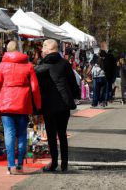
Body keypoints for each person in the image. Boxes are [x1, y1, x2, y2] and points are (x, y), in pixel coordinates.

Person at [0, 40, 41, 175]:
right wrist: (38, 105)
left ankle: (10, 165)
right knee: (22, 134)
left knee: (9, 133)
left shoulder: (2, 65)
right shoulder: (28, 66)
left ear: (7, 50)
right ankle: (20, 165)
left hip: (6, 103)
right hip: (23, 103)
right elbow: (35, 88)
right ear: (19, 49)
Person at [35, 39, 79, 172]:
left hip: (48, 104)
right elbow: (73, 83)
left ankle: (54, 162)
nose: (42, 51)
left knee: (51, 134)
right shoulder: (65, 64)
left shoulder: (41, 66)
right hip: (63, 104)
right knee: (62, 133)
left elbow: (36, 87)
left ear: (48, 49)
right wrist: (74, 96)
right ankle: (64, 163)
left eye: (43, 48)